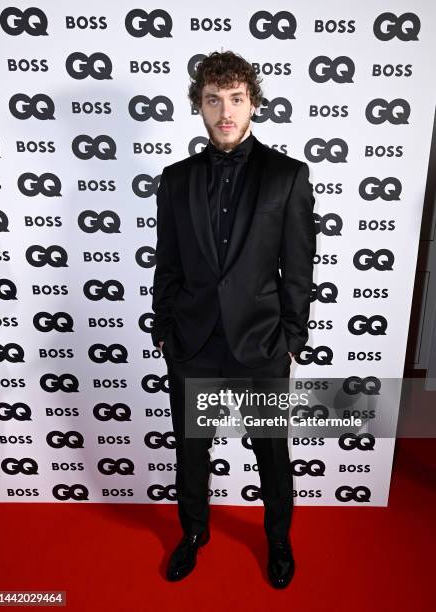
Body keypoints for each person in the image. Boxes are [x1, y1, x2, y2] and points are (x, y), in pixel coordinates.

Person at [151, 50, 316, 588]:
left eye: (236, 99)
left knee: (272, 450)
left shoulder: (288, 176)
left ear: (253, 104)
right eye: (213, 99)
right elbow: (168, 262)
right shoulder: (175, 180)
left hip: (261, 342)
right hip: (193, 341)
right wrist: (165, 329)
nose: (226, 111)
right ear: (198, 105)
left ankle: (276, 538)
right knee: (190, 449)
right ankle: (193, 532)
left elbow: (298, 264)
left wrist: (292, 335)